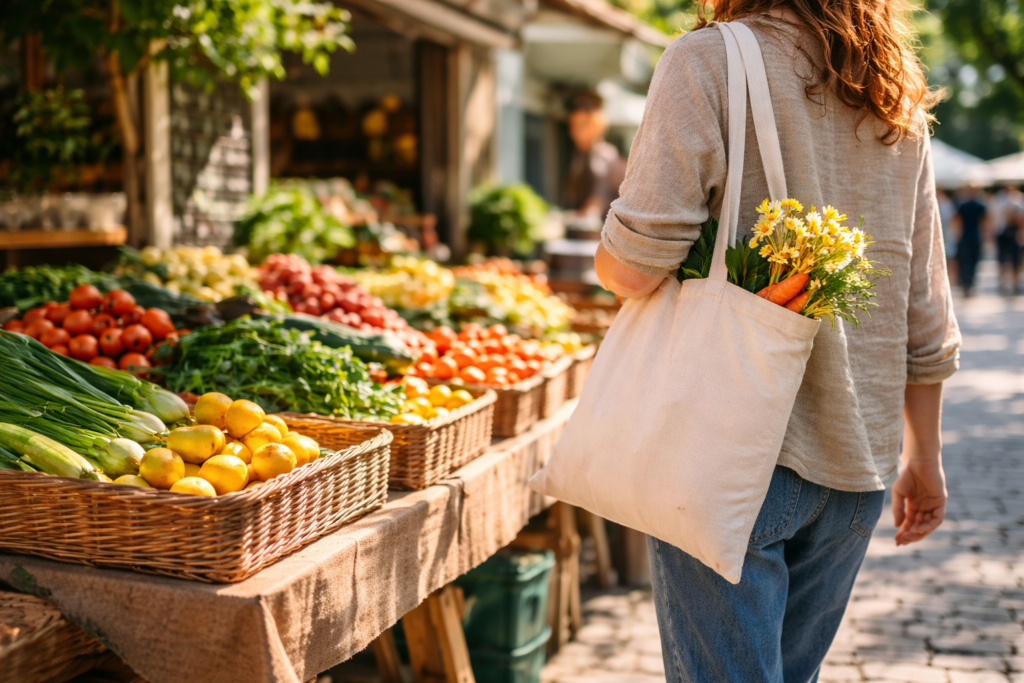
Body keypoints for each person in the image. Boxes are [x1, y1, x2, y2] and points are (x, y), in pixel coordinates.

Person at [593, 2, 961, 681]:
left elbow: (634, 265)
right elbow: (924, 304)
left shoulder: (707, 61)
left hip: (728, 452)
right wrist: (926, 457)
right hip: (857, 467)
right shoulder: (892, 88)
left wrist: (610, 256)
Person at [561, 91, 627, 220]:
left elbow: (596, 206)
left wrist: (568, 219)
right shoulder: (582, 155)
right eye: (573, 126)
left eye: (582, 125)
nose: (575, 132)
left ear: (596, 125)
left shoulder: (601, 157)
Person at [953, 185, 989, 297]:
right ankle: (969, 285)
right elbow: (985, 222)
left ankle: (966, 285)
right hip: (975, 237)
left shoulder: (963, 205)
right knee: (973, 262)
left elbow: (957, 221)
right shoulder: (980, 205)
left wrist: (956, 235)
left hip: (965, 237)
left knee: (965, 262)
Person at [992, 183, 1024, 294]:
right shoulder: (997, 198)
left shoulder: (1019, 198)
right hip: (1001, 232)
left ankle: (1015, 284)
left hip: (1015, 233)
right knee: (1002, 259)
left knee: (1016, 260)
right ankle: (1002, 283)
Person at [937, 189, 959, 286]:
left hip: (946, 232)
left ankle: (951, 278)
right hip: (941, 231)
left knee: (950, 257)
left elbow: (952, 219)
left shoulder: (947, 203)